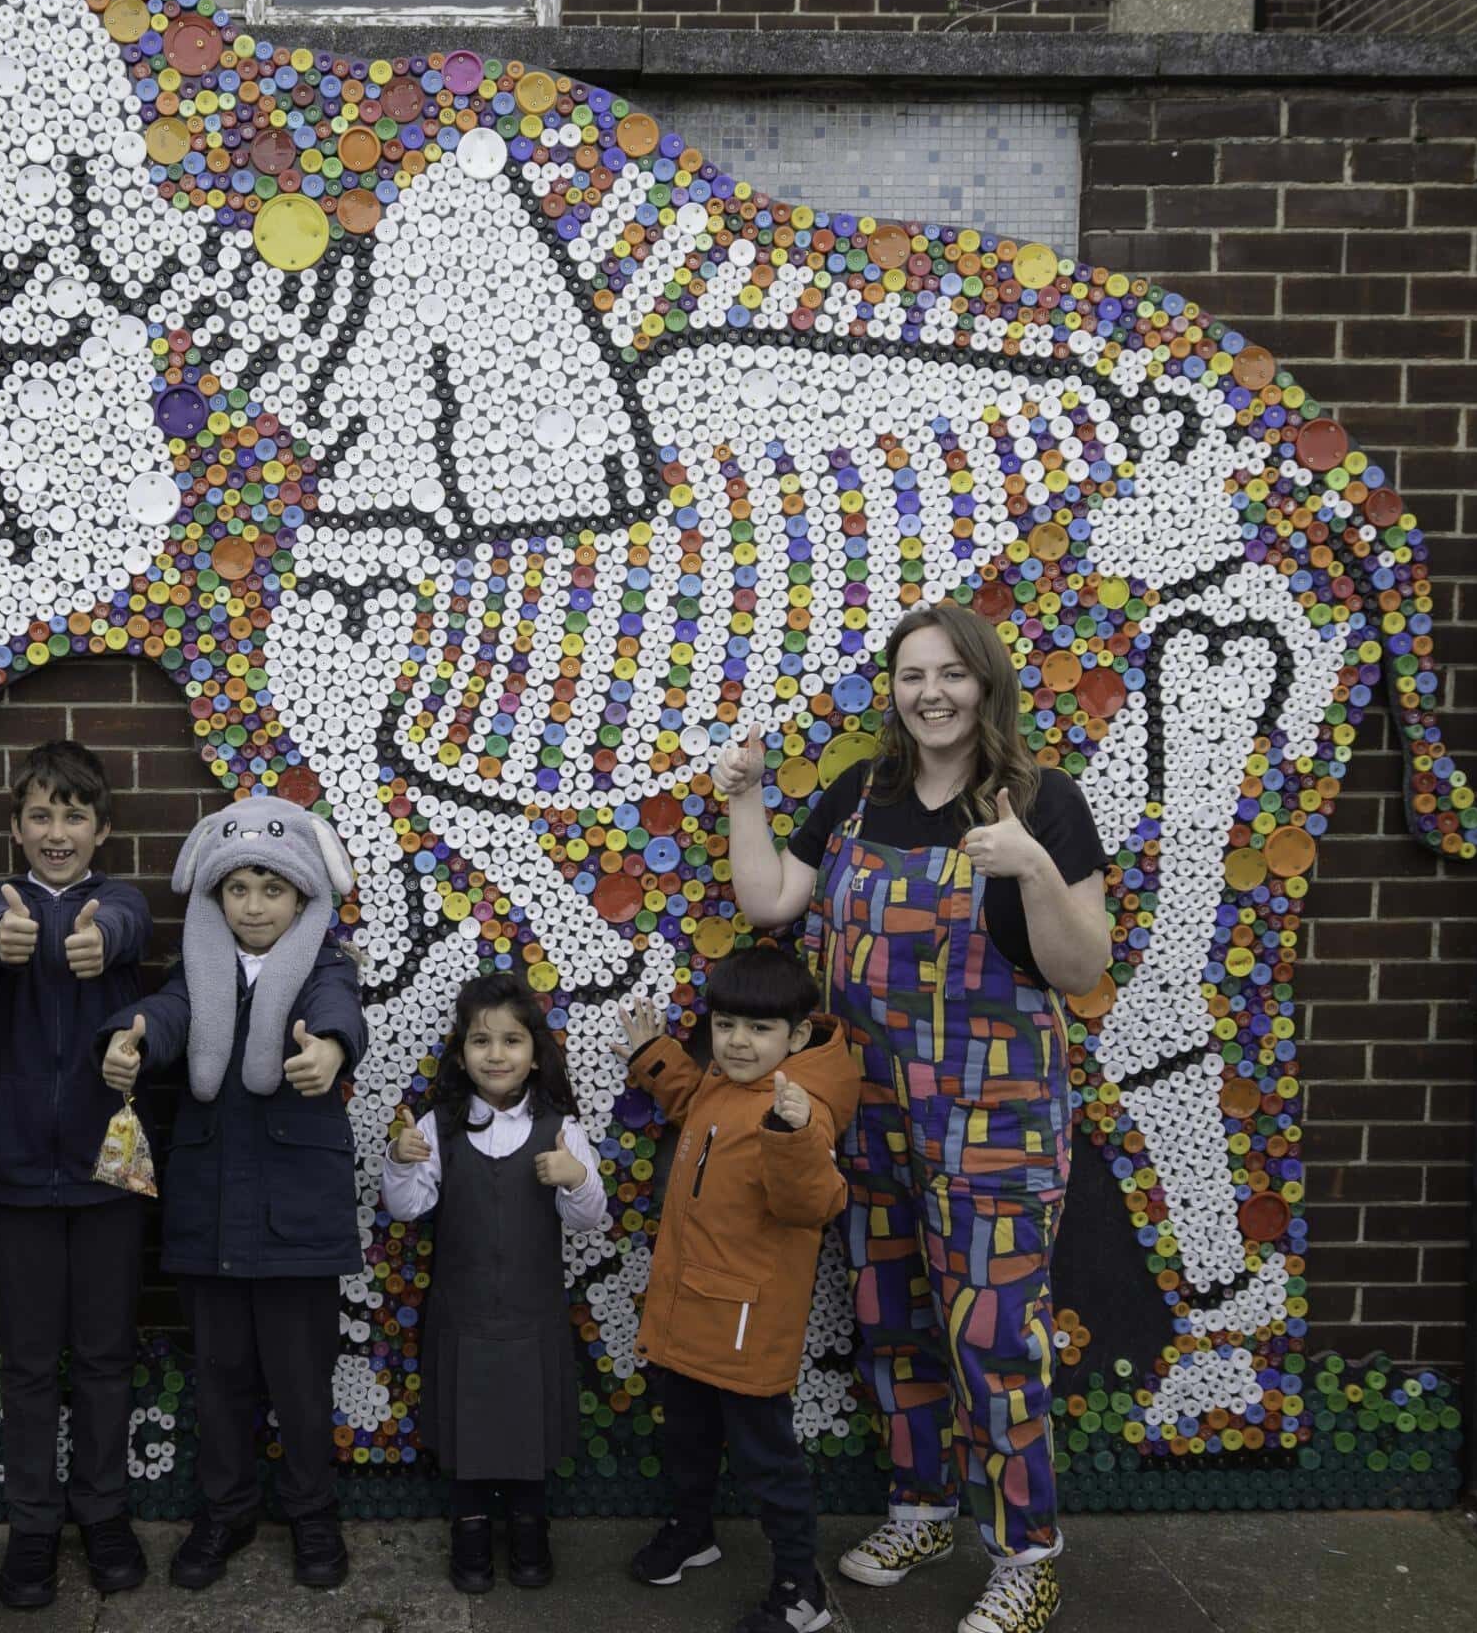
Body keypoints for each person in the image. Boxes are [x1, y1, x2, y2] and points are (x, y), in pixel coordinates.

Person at [718, 601, 1113, 1633]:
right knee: (893, 1325)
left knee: (991, 1335)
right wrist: (748, 797)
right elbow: (771, 902)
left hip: (998, 1118)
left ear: (986, 683)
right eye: (911, 676)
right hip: (873, 1112)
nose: (930, 693)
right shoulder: (859, 796)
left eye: (950, 674)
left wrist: (1029, 866)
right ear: (891, 692)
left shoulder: (1043, 803)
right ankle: (922, 1506)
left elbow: (1083, 968)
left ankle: (1027, 1558)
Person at [99, 796, 365, 1592]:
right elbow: (172, 1016)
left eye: (273, 889)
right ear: (215, 893)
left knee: (299, 1378)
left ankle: (313, 1512)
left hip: (296, 1221)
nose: (254, 905)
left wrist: (331, 1050)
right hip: (212, 1212)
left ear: (303, 897)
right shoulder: (199, 969)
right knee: (218, 1377)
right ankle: (227, 1508)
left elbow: (338, 1012)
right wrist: (132, 1036)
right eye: (239, 887)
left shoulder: (325, 964)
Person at [618, 944, 857, 1633]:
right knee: (687, 1438)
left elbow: (814, 1202)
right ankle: (693, 1531)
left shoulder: (799, 1107)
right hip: (689, 1310)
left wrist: (791, 1135)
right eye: (726, 1025)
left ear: (799, 1034)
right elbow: (700, 1102)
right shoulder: (728, 1081)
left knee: (766, 1462)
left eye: (758, 1029)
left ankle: (798, 1585)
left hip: (748, 1327)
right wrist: (656, 1055)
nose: (738, 1042)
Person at [0, 741, 154, 1609]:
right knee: (31, 1362)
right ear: (15, 827)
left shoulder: (116, 904)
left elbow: (126, 924)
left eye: (74, 815)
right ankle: (33, 1526)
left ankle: (104, 1512)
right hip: (14, 1176)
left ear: (102, 829)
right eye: (40, 814)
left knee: (107, 1355)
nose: (56, 831)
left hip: (106, 1172)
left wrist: (100, 941)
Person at [381, 971, 608, 1594]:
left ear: (535, 1054)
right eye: (481, 1042)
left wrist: (574, 1177)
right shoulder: (438, 1127)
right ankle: (472, 1527)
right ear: (461, 1054)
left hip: (532, 1315)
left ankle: (531, 1528)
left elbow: (589, 1219)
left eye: (511, 1041)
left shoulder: (560, 1129)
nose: (497, 1054)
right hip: (463, 1312)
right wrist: (399, 1162)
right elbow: (406, 1208)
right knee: (467, 1423)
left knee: (527, 1425)